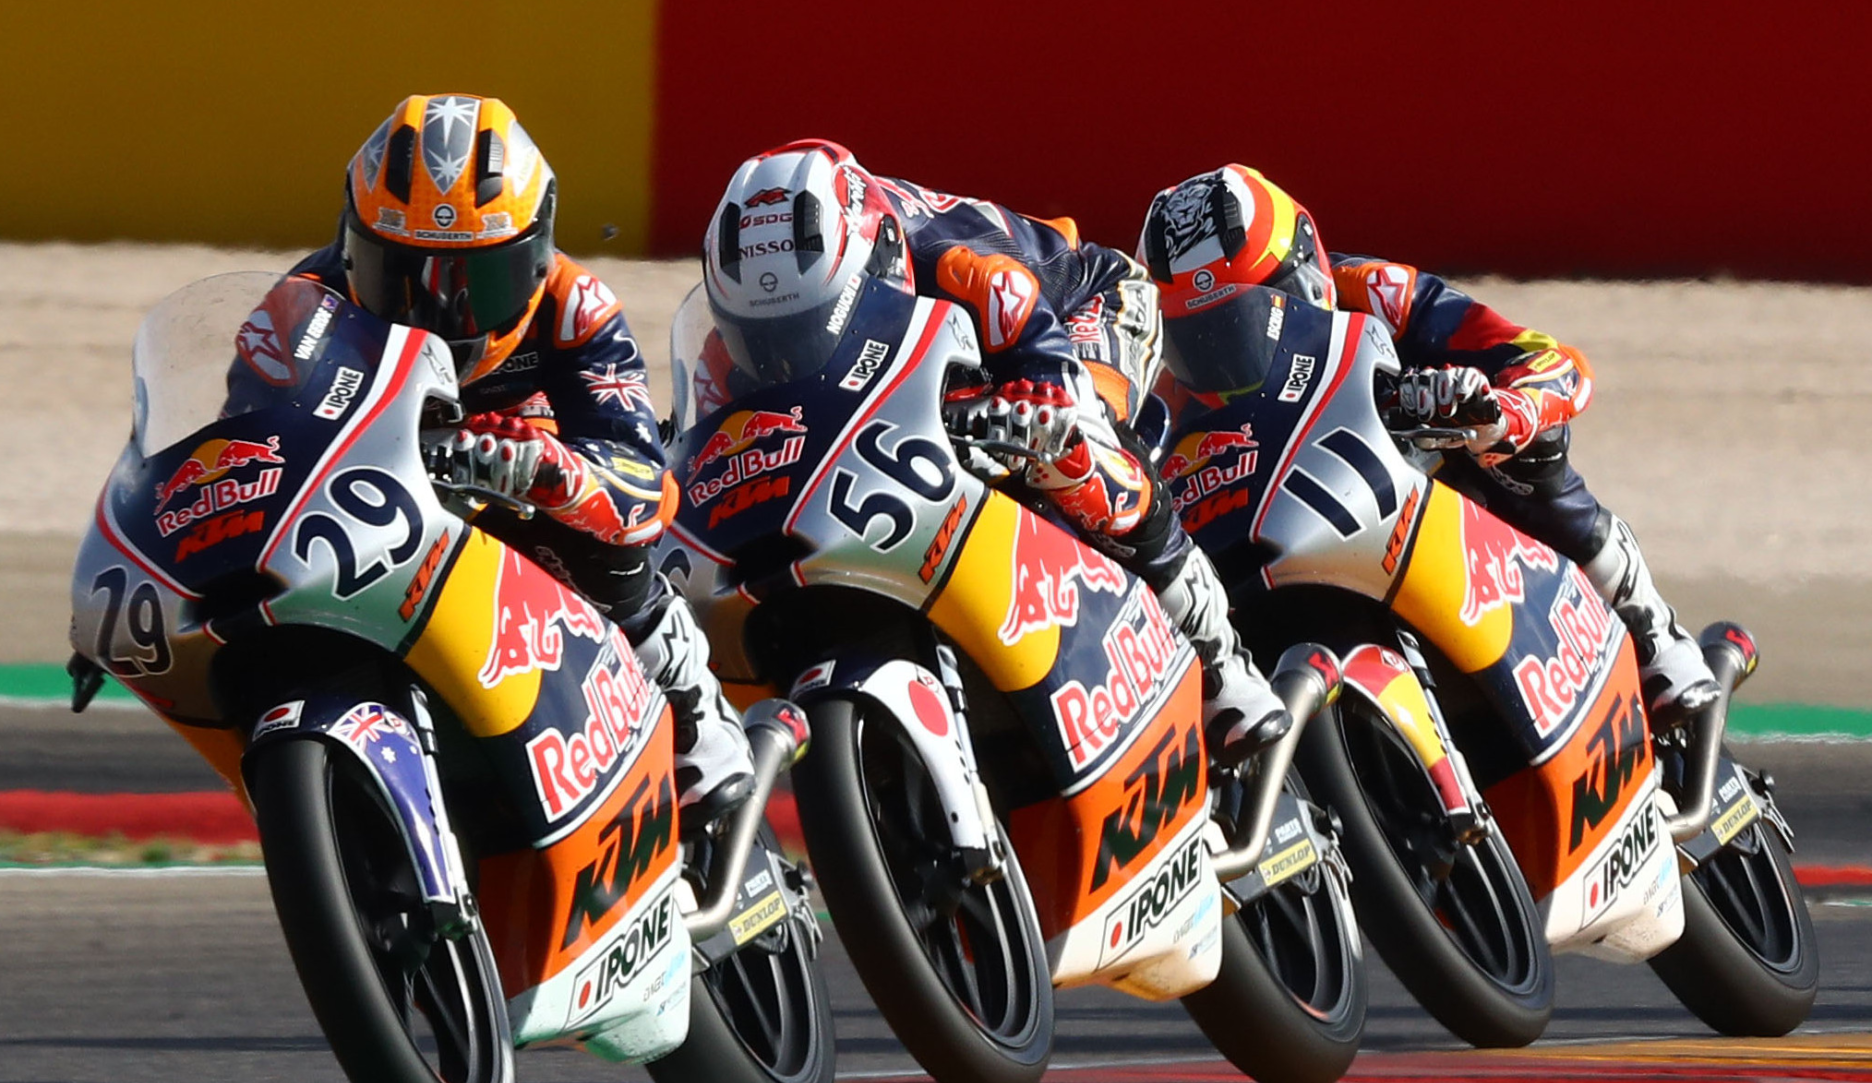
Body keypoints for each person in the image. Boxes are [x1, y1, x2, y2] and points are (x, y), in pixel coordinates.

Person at [699, 139, 1289, 760]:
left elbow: (1047, 369)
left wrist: (1038, 403)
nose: (784, 358)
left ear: (875, 265)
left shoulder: (959, 265)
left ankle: (1220, 661)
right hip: (955, 362)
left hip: (1079, 308)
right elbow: (703, 434)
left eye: (804, 330)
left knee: (1072, 444)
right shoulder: (730, 337)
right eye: (761, 340)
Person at [293, 93, 753, 818]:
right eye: (399, 276)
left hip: (527, 500)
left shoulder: (577, 307)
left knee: (609, 547)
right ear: (352, 247)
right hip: (381, 508)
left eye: (478, 283)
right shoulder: (304, 307)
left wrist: (551, 471)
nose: (437, 314)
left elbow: (646, 489)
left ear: (535, 258)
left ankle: (692, 713)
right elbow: (250, 441)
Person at [1137, 164, 1719, 725]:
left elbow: (1551, 361)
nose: (1220, 357)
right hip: (1275, 531)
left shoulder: (1376, 292)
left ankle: (1649, 629)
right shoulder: (1155, 388)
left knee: (1528, 450)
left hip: (1419, 485)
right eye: (1194, 339)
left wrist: (1503, 412)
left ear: (1305, 273)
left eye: (1242, 324)